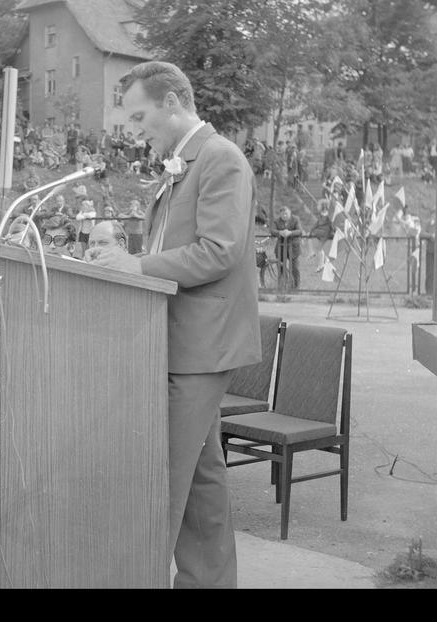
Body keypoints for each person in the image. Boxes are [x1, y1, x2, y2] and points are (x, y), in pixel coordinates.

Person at [91, 60, 261, 589]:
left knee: (160, 481)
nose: (134, 129)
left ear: (171, 102)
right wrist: (124, 258)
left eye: (140, 116)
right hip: (178, 341)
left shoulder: (219, 158)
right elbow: (174, 247)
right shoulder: (180, 162)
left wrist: (136, 265)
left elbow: (219, 251)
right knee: (201, 482)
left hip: (200, 346)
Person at [270, 205, 303, 289]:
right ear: (280, 215)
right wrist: (280, 232)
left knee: (295, 268)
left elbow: (299, 231)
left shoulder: (296, 219)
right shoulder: (276, 221)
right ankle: (282, 286)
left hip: (293, 247)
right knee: (281, 267)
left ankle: (295, 287)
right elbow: (272, 231)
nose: (284, 216)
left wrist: (290, 232)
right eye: (282, 214)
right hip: (280, 247)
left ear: (290, 213)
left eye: (286, 213)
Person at [307, 199, 335, 271]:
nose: (317, 206)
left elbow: (330, 224)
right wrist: (312, 230)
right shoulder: (321, 215)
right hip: (321, 232)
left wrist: (333, 232)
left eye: (318, 205)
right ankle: (324, 264)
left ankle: (321, 264)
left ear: (323, 206)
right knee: (318, 249)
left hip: (324, 233)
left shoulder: (327, 215)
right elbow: (317, 224)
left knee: (318, 249)